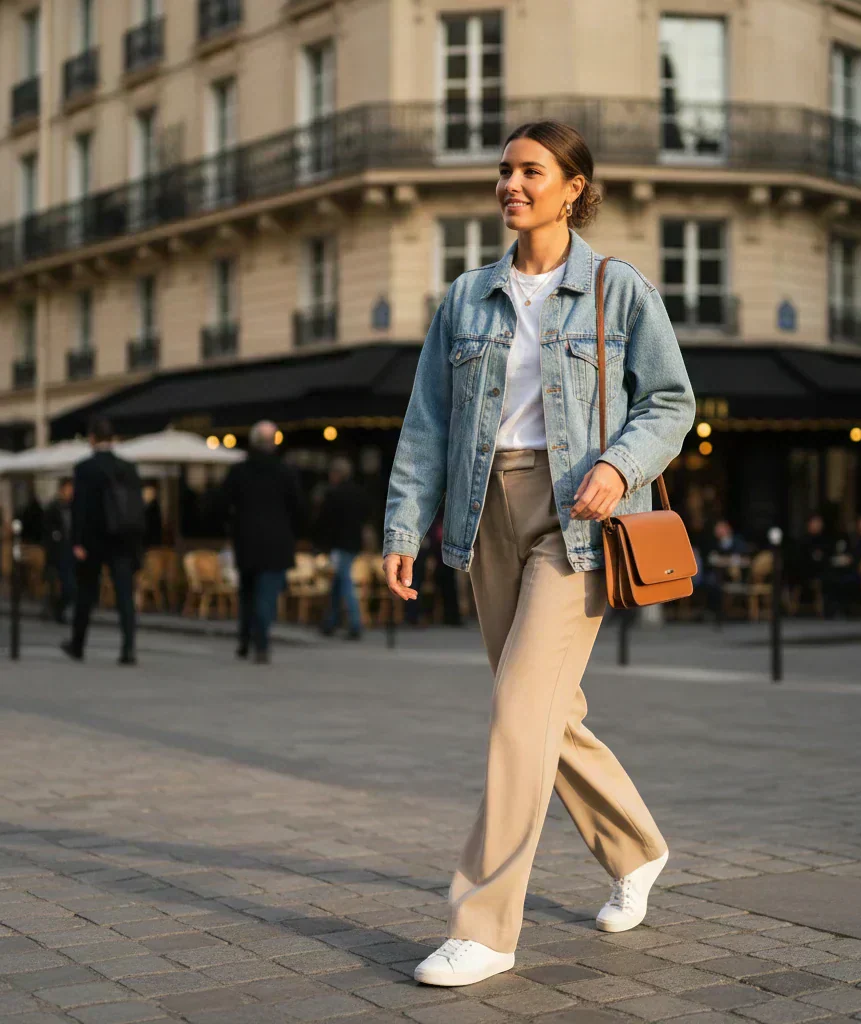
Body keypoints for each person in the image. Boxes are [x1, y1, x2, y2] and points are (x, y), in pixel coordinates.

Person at [381, 120, 694, 987]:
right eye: (504, 170)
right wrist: (403, 528)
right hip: (484, 513)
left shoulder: (617, 289)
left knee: (519, 711)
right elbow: (427, 425)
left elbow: (671, 402)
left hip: (578, 520)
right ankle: (635, 848)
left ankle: (484, 927)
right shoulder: (465, 298)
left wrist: (618, 465)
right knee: (546, 713)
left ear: (573, 188)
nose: (511, 185)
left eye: (531, 171)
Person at [219, 420, 303, 664]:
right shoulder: (285, 472)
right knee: (266, 596)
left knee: (247, 594)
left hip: (246, 541)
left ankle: (245, 639)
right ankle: (261, 644)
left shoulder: (239, 471)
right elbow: (299, 509)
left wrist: (231, 527)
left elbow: (221, 504)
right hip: (276, 543)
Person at [61, 417, 145, 665]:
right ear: (113, 438)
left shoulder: (85, 468)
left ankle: (78, 644)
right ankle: (128, 648)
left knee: (86, 593)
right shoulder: (128, 467)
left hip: (93, 541)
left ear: (92, 438)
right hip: (123, 539)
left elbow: (79, 508)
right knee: (124, 595)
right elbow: (136, 507)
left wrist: (77, 541)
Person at [315, 456, 370, 639]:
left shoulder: (334, 494)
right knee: (338, 583)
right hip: (354, 543)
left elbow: (325, 521)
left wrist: (321, 544)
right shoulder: (359, 493)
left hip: (339, 544)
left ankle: (355, 623)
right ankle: (330, 621)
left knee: (345, 582)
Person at [43, 477, 75, 624]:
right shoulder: (53, 508)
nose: (71, 492)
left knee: (71, 586)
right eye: (69, 489)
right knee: (63, 585)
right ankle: (57, 610)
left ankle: (58, 609)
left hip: (71, 551)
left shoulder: (74, 507)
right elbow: (47, 530)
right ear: (62, 490)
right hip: (58, 552)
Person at [142, 484, 164, 548]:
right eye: (146, 493)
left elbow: (157, 527)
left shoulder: (154, 507)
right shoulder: (139, 506)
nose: (148, 495)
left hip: (152, 541)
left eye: (151, 494)